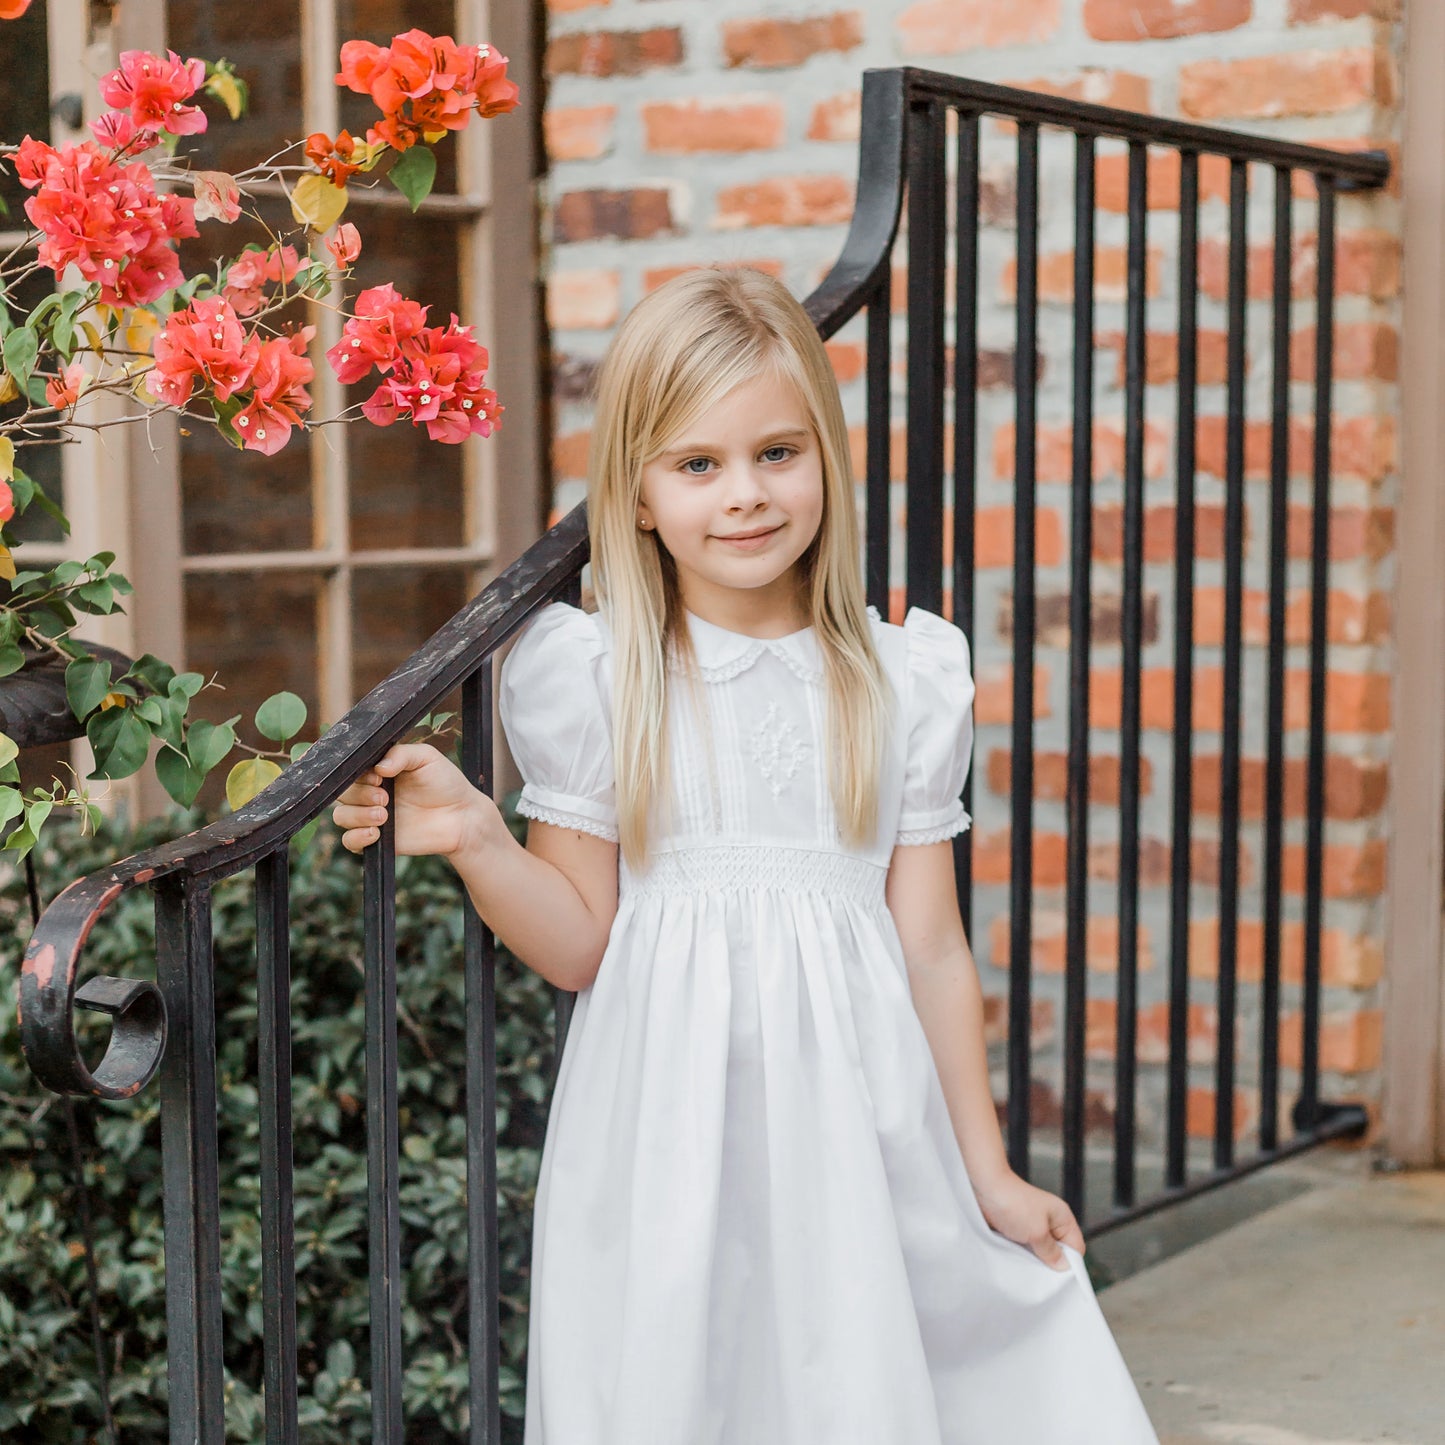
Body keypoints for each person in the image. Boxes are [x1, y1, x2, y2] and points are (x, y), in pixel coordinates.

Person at [333, 268, 1159, 1444]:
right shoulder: (599, 677)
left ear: (824, 453)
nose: (745, 495)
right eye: (697, 463)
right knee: (683, 1386)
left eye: (777, 451)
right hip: (666, 1127)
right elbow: (578, 944)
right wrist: (473, 831)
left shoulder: (899, 680)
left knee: (852, 1380)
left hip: (861, 1124)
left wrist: (987, 1171)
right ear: (637, 491)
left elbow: (930, 946)